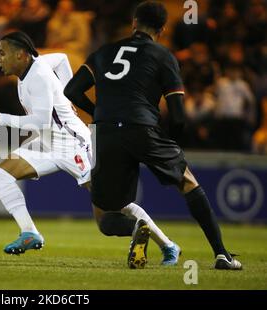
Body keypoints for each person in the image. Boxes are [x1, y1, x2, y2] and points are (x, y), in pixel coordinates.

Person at [0, 31, 181, 268]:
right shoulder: (37, 65)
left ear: (21, 54)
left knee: (114, 206)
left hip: (73, 144)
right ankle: (29, 232)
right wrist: (66, 96)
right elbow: (62, 59)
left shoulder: (39, 76)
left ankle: (168, 245)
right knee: (1, 173)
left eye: (2, 53)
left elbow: (41, 121)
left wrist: (0, 118)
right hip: (47, 143)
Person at [64, 1, 242, 270]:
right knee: (187, 182)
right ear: (162, 28)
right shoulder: (163, 56)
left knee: (105, 218)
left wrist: (100, 112)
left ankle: (139, 225)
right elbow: (179, 115)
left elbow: (72, 91)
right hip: (143, 128)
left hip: (107, 132)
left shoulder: (104, 52)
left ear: (134, 23)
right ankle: (221, 255)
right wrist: (169, 142)